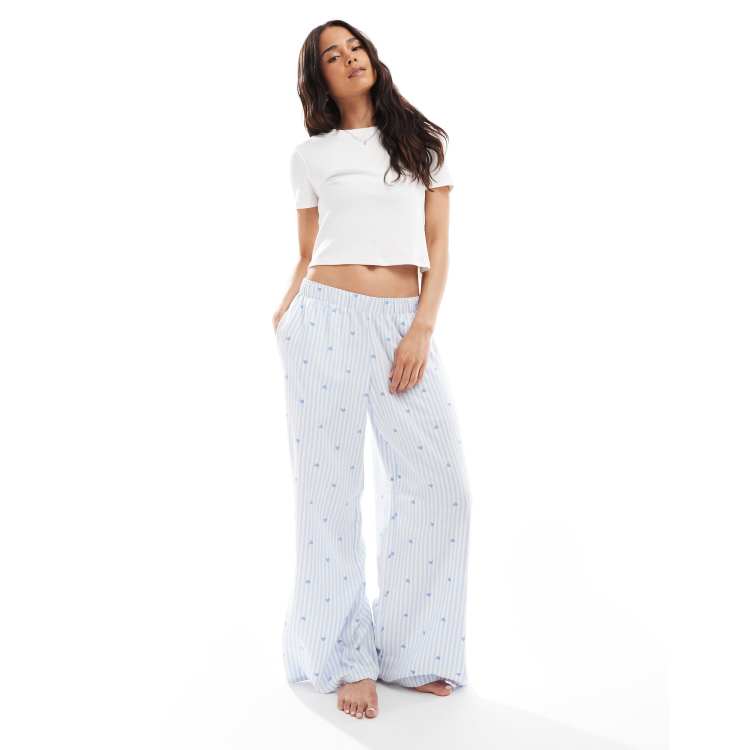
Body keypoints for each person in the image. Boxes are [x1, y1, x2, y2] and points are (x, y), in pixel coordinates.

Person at [273, 20, 472, 721]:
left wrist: (421, 328)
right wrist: (285, 314)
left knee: (441, 485)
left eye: (355, 47)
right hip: (322, 319)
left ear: (372, 58)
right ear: (320, 78)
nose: (350, 58)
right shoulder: (311, 156)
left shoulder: (422, 143)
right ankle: (345, 657)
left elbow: (438, 247)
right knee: (328, 492)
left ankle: (415, 650)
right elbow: (307, 251)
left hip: (401, 325)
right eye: (333, 55)